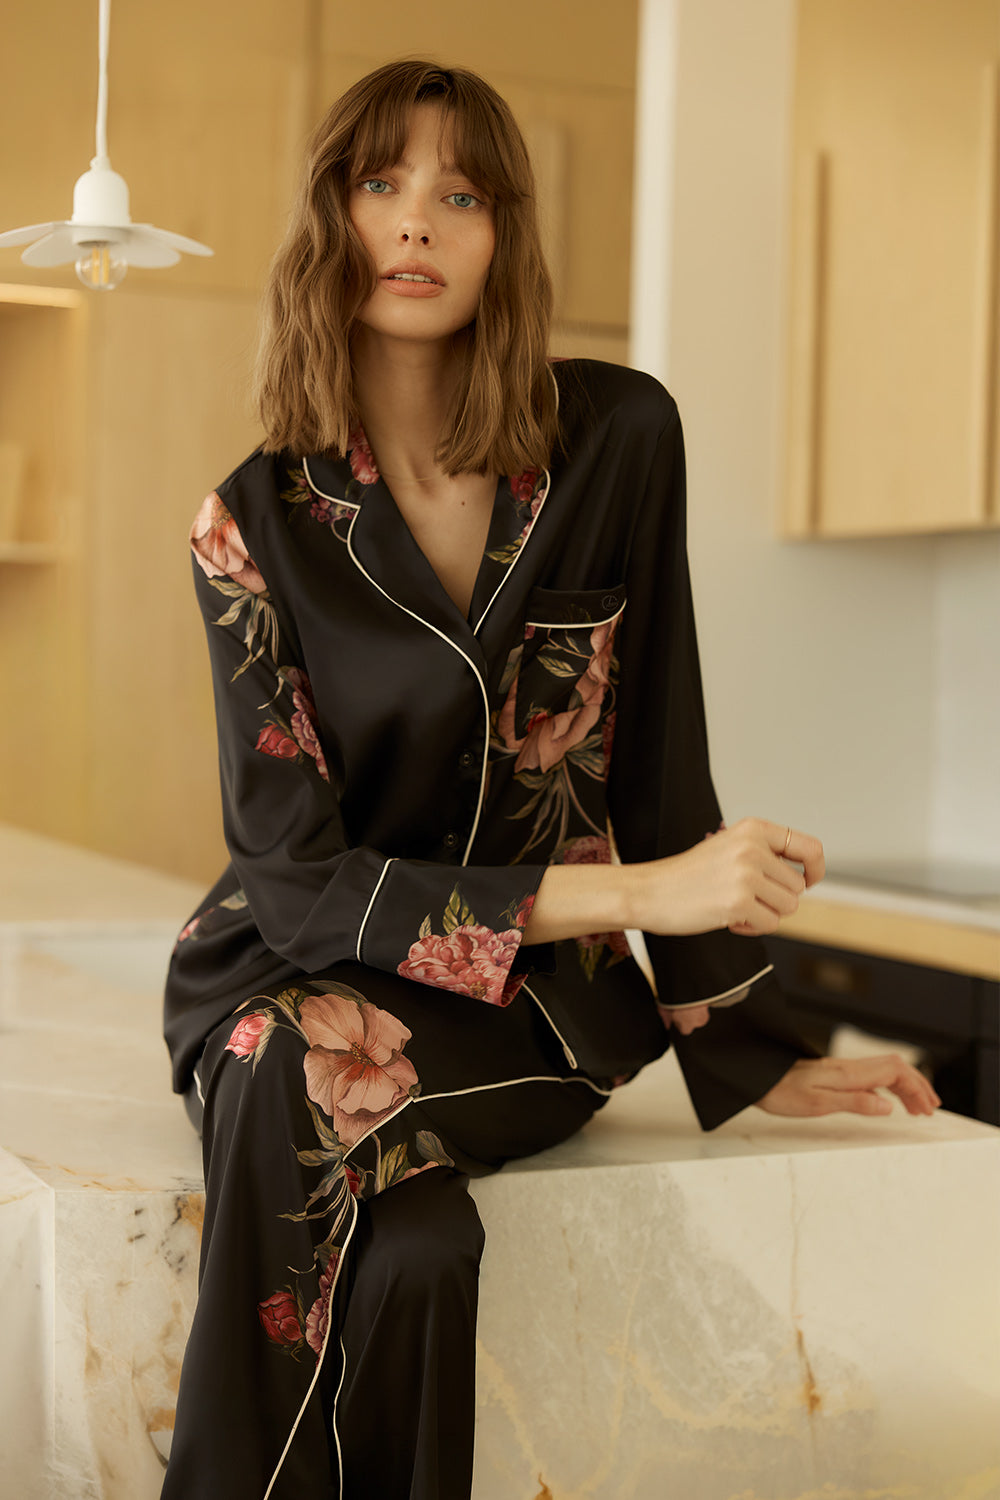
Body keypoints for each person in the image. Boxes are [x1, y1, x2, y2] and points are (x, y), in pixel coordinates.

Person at [161, 59, 938, 1500]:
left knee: (302, 1084)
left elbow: (659, 753)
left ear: (507, 236)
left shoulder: (617, 437)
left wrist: (744, 1052)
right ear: (330, 218)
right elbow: (299, 878)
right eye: (381, 183)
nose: (417, 224)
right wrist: (637, 893)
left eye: (462, 194)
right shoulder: (248, 523)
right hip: (280, 961)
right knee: (412, 1233)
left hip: (525, 1012)